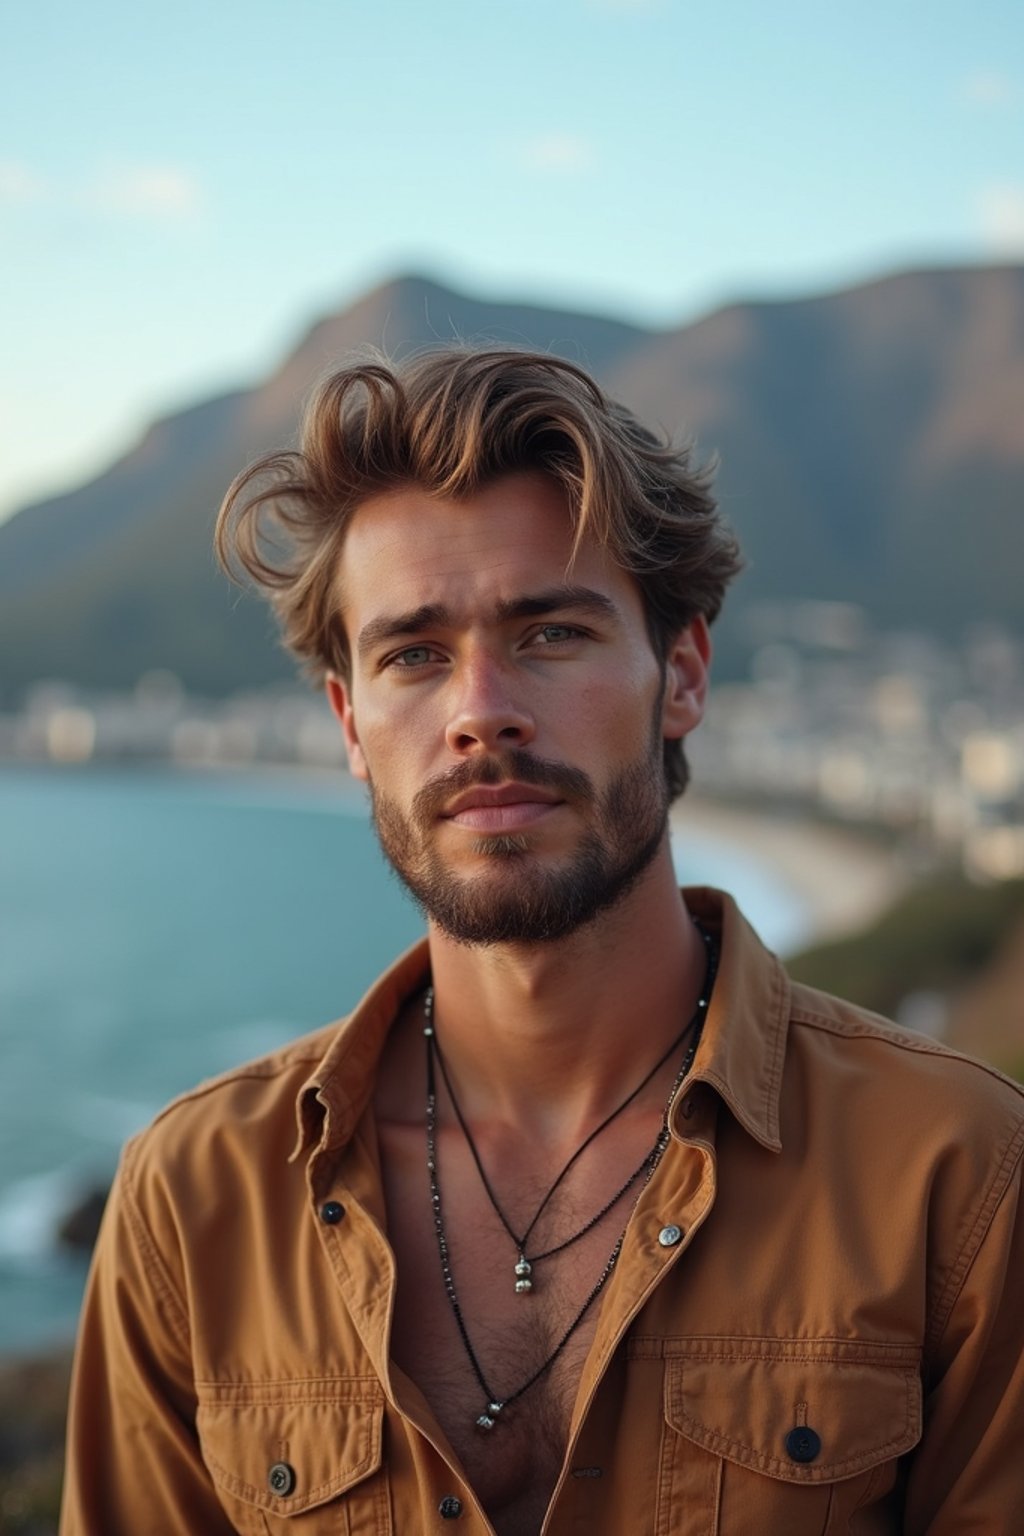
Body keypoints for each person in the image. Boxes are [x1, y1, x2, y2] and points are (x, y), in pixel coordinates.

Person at [61, 349, 1024, 1536]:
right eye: (414, 655)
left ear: (680, 675)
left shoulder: (957, 1170)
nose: (479, 712)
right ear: (350, 723)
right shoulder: (196, 1199)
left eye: (552, 633)